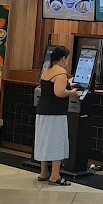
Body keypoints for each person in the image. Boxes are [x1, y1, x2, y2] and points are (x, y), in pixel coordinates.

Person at [35, 46, 80, 186]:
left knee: (45, 141)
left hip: (43, 111)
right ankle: (55, 175)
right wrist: (72, 92)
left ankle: (44, 172)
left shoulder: (47, 70)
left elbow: (49, 87)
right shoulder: (61, 72)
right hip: (55, 113)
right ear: (63, 58)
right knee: (57, 142)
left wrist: (68, 83)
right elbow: (59, 92)